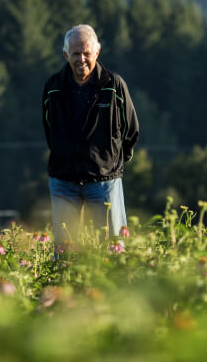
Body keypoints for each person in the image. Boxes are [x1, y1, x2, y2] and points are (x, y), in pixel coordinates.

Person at [42, 24, 139, 247]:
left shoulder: (114, 86)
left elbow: (131, 129)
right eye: (76, 53)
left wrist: (113, 162)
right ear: (66, 54)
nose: (82, 59)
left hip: (104, 181)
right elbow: (49, 129)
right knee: (65, 253)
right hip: (63, 180)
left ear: (97, 52)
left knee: (111, 251)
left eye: (87, 53)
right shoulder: (52, 88)